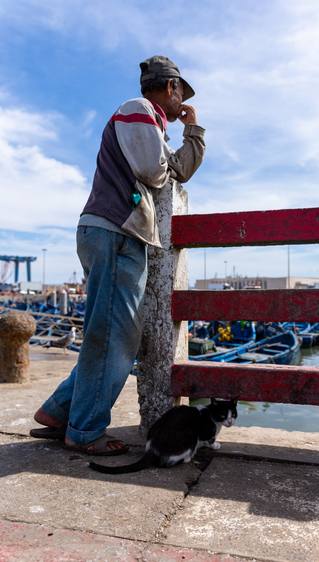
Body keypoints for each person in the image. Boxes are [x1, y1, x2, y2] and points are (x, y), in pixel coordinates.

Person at [30, 56, 205, 455]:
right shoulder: (137, 110)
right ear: (171, 86)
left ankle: (59, 411)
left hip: (116, 233)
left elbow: (176, 168)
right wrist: (171, 155)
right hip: (115, 231)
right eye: (182, 93)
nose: (183, 102)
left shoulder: (152, 124)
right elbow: (157, 171)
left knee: (107, 334)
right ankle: (86, 429)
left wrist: (193, 132)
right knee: (116, 337)